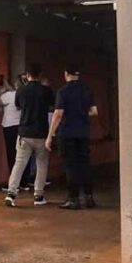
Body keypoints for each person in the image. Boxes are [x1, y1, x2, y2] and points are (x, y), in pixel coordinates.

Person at [46, 65, 98, 210]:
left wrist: (50, 135)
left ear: (66, 74)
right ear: (78, 75)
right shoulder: (86, 90)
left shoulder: (63, 91)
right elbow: (94, 111)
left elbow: (58, 114)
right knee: (84, 164)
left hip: (67, 133)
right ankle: (89, 197)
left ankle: (73, 198)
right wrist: (81, 113)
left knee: (70, 166)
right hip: (83, 132)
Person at [5, 64, 54, 207]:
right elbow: (52, 105)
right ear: (40, 75)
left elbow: (18, 105)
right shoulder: (46, 91)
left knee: (19, 163)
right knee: (41, 164)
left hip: (24, 133)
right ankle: (38, 195)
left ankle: (11, 193)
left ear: (27, 75)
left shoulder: (21, 91)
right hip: (41, 133)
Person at [0, 75, 23, 191]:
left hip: (9, 126)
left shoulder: (9, 95)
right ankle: (24, 181)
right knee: (22, 153)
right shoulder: (23, 95)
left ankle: (13, 182)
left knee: (11, 154)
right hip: (21, 126)